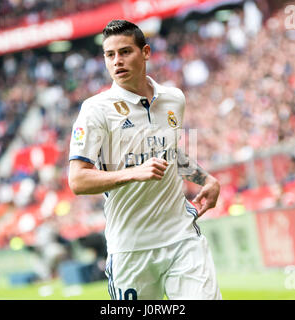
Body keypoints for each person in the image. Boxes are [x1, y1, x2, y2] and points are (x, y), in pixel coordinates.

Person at [68, 20, 222, 300]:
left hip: (181, 237)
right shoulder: (95, 110)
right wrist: (133, 172)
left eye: (125, 52)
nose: (117, 61)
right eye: (109, 55)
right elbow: (78, 180)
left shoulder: (174, 99)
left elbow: (170, 153)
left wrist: (205, 179)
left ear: (146, 52)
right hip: (130, 248)